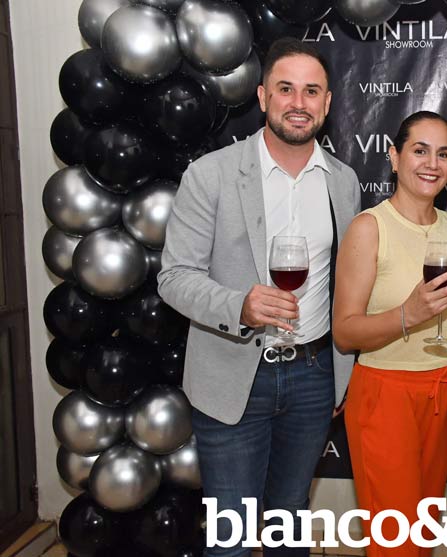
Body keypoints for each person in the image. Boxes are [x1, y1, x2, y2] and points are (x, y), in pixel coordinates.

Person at [158, 37, 360, 557]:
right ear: (263, 96)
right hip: (233, 376)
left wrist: (344, 371)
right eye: (286, 89)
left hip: (314, 374)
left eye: (311, 91)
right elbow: (174, 277)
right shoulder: (212, 174)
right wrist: (239, 307)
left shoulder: (344, 183)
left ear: (327, 103)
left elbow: (347, 284)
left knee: (289, 522)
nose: (299, 102)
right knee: (231, 537)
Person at [332, 111, 447, 557]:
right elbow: (345, 332)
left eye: (443, 154)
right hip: (386, 395)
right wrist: (407, 315)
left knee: (422, 539)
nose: (432, 163)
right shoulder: (369, 227)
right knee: (396, 544)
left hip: (443, 390)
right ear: (394, 157)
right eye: (420, 150)